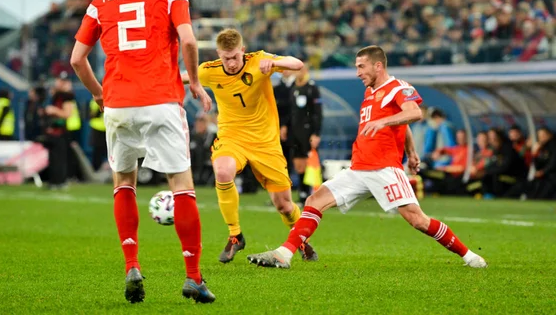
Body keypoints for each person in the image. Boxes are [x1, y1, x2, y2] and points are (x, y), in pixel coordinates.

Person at [247, 45, 487, 269]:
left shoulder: (398, 87)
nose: (358, 72)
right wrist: (412, 152)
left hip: (384, 169)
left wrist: (385, 123)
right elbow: (403, 125)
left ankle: (470, 256)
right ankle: (285, 254)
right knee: (314, 201)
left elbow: (413, 113)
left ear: (378, 66)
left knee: (418, 220)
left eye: (361, 67)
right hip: (359, 168)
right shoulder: (370, 93)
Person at [70, 0, 215, 304]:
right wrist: (196, 83)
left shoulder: (99, 2)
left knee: (124, 183)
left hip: (118, 104)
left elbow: (76, 60)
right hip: (160, 100)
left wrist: (99, 95)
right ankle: (193, 277)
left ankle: (132, 264)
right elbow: (188, 40)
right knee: (182, 186)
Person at [181, 28, 318, 264]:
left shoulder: (258, 61)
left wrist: (274, 63)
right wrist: (195, 84)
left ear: (243, 50)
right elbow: (178, 76)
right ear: (218, 54)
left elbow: (297, 64)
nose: (231, 63)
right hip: (232, 138)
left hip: (265, 143)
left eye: (235, 56)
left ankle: (300, 240)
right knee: (222, 172)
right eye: (226, 58)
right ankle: (235, 235)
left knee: (284, 205)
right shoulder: (209, 71)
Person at [289, 63, 323, 206]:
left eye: (301, 69)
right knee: (298, 163)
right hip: (294, 130)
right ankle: (302, 194)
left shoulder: (312, 88)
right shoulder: (292, 87)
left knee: (309, 163)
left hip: (308, 131)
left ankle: (311, 194)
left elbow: (317, 112)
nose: (298, 72)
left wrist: (316, 133)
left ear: (306, 70)